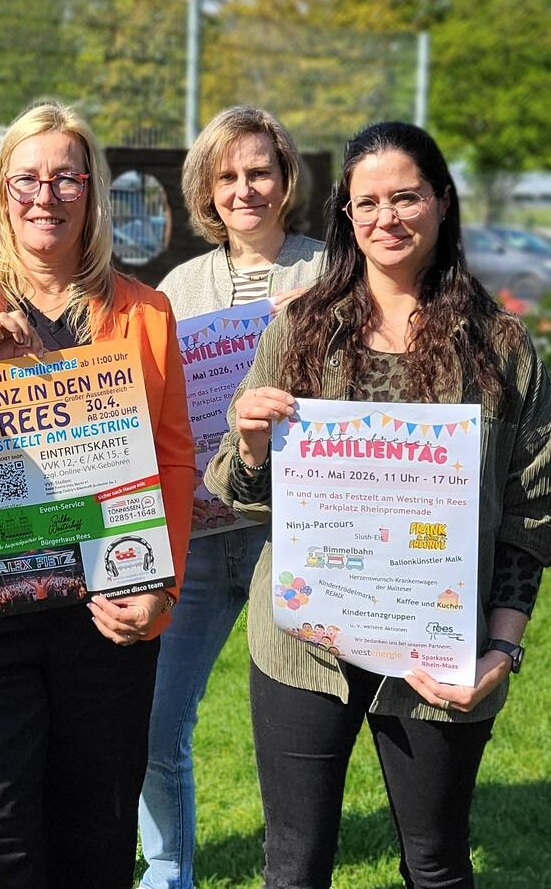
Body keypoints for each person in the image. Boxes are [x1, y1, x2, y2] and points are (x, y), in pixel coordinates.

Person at [206, 121, 550, 888]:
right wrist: (253, 444)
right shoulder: (298, 330)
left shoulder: (503, 347)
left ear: (443, 202)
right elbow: (238, 489)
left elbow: (532, 516)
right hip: (305, 646)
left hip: (438, 649)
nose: (386, 218)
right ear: (346, 215)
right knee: (293, 866)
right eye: (367, 203)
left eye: (406, 196)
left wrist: (501, 650)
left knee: (435, 863)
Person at [0, 101, 196, 888]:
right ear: (1, 191)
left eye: (66, 177)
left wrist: (160, 590)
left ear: (91, 192)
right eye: (26, 177)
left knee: (94, 838)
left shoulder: (145, 311)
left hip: (107, 607)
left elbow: (171, 465)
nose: (45, 194)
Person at [140, 105, 325, 889]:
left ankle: (294, 870)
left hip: (299, 533)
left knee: (299, 731)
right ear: (205, 191)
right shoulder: (180, 285)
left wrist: (315, 331)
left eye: (259, 171)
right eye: (227, 176)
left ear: (285, 178)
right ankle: (166, 871)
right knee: (155, 722)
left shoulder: (333, 265)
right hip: (205, 531)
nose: (244, 189)